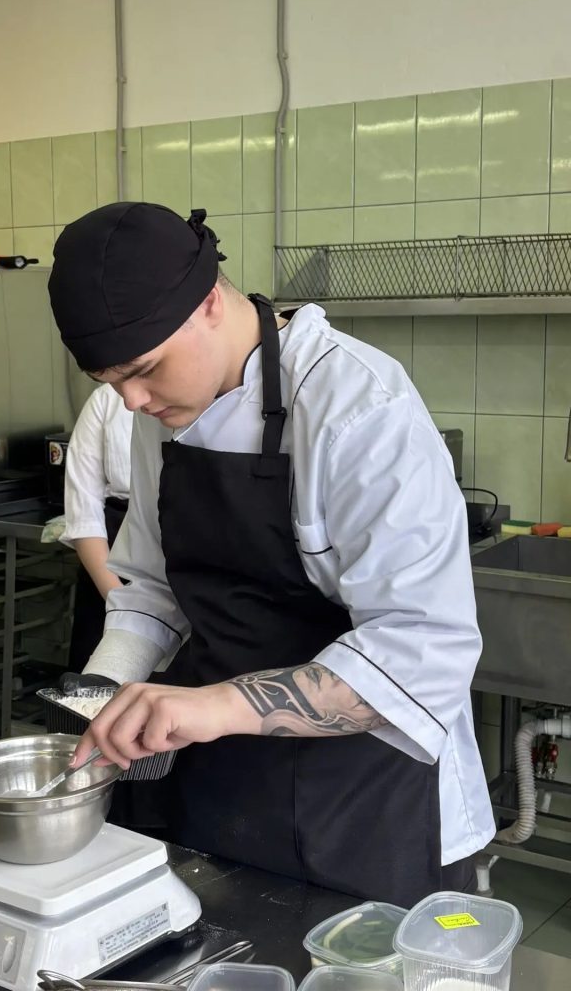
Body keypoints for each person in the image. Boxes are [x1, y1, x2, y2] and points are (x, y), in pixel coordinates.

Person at [47, 201, 495, 907]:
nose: (130, 401)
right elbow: (151, 588)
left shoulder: (359, 407)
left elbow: (421, 652)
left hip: (367, 802)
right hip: (224, 784)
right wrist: (102, 697)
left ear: (208, 304)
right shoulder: (162, 412)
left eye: (144, 369)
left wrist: (216, 706)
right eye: (110, 383)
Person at [60, 382, 133, 674]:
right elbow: (84, 516)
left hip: (183, 562)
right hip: (109, 564)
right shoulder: (105, 400)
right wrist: (119, 605)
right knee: (99, 686)